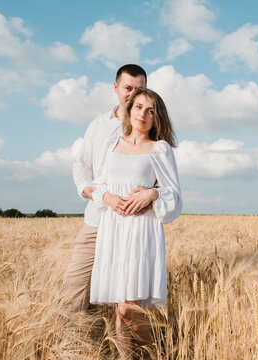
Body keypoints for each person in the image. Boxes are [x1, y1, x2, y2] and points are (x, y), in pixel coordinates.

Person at [90, 88, 181, 357]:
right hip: (114, 230)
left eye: (150, 110)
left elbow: (173, 193)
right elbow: (99, 184)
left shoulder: (159, 149)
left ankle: (156, 354)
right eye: (139, 107)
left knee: (128, 308)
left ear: (157, 118)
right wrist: (107, 196)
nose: (143, 114)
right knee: (120, 310)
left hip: (142, 230)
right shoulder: (112, 144)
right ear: (129, 110)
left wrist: (152, 193)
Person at [64, 64, 153, 312]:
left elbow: (163, 178)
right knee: (75, 286)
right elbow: (81, 165)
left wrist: (153, 192)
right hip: (98, 219)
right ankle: (74, 345)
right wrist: (90, 191)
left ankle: (130, 349)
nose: (134, 94)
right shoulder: (98, 125)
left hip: (133, 224)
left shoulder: (152, 126)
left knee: (129, 299)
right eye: (128, 88)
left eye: (141, 89)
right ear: (115, 88)